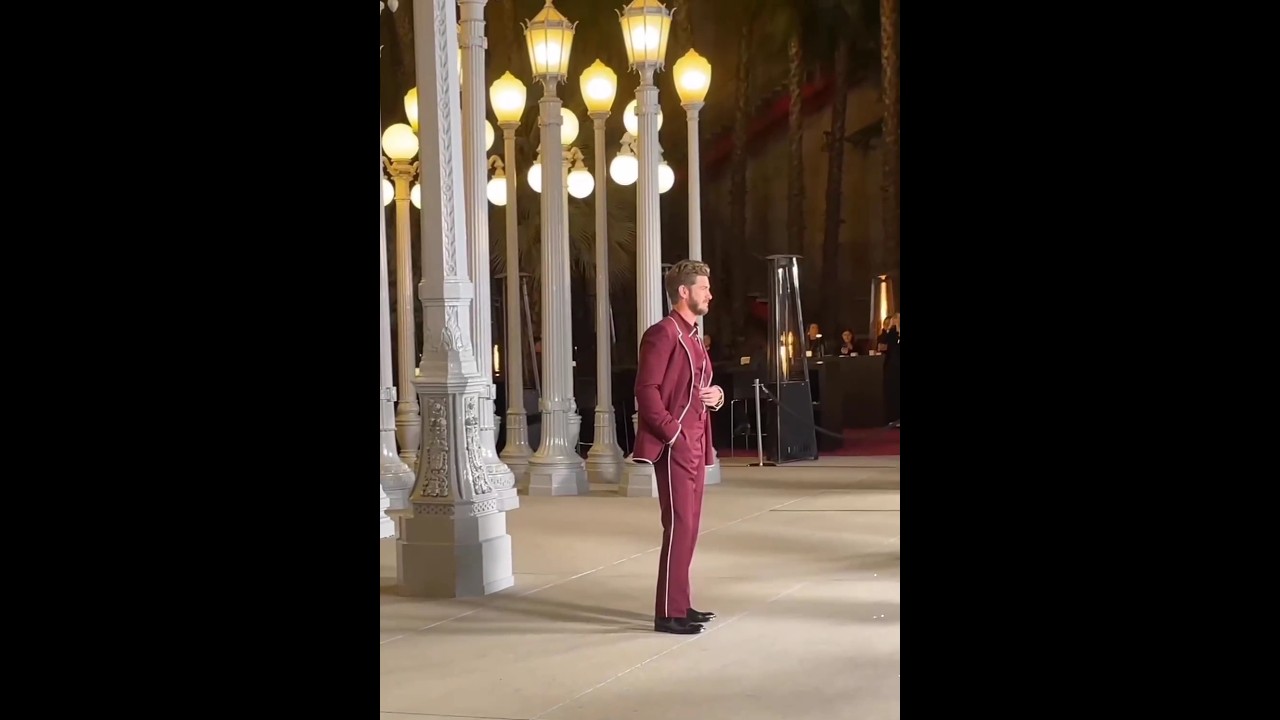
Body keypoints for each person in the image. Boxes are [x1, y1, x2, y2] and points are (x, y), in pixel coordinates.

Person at [634, 259, 725, 635]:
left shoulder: (692, 336)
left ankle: (680, 603)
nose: (709, 293)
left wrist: (716, 395)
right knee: (679, 525)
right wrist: (673, 433)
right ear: (684, 291)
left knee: (690, 527)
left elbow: (699, 388)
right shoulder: (663, 333)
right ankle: (667, 613)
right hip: (676, 444)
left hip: (696, 442)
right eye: (704, 287)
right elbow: (646, 390)